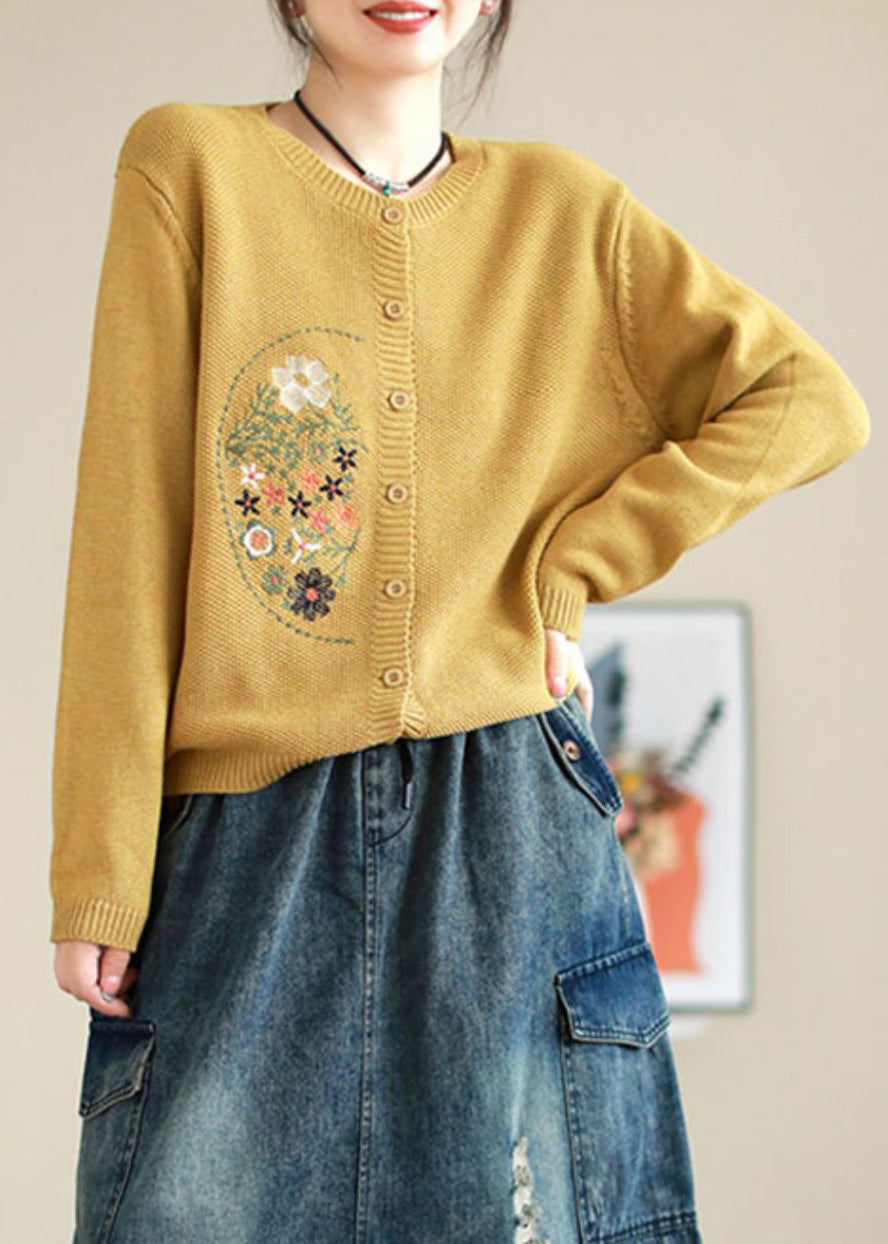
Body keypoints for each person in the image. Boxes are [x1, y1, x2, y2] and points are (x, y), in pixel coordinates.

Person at [49, 2, 870, 1242]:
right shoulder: (191, 166)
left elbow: (808, 398)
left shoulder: (565, 211)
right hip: (252, 841)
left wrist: (577, 561)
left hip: (515, 825)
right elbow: (130, 524)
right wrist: (99, 871)